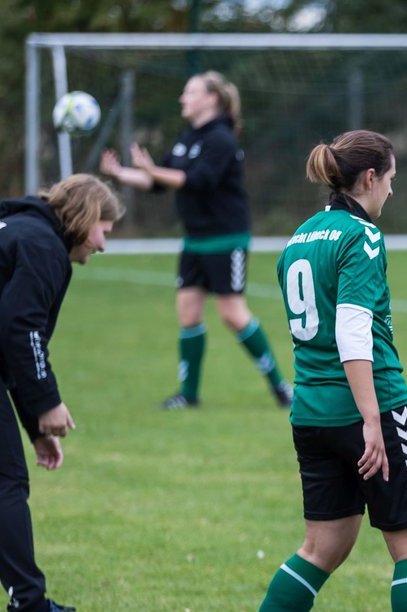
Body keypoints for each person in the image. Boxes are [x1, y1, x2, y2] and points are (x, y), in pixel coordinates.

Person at [224, 130, 407, 612]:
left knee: (323, 545)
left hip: (309, 412)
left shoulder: (300, 238)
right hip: (371, 407)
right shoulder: (363, 236)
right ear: (368, 178)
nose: (391, 189)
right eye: (389, 178)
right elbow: (353, 330)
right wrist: (371, 419)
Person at [0, 174, 124, 612]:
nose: (104, 242)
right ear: (83, 219)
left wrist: (35, 424)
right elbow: (21, 331)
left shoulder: (21, 232)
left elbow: (6, 345)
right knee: (3, 482)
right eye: (104, 227)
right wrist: (49, 403)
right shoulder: (42, 246)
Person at [100, 71, 291, 410]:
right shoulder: (187, 137)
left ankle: (280, 386)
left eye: (190, 92)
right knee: (188, 313)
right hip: (194, 240)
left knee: (233, 314)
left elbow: (197, 181)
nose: (182, 98)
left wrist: (152, 169)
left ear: (211, 99)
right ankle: (189, 395)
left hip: (225, 238)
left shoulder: (222, 140)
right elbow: (160, 182)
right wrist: (121, 174)